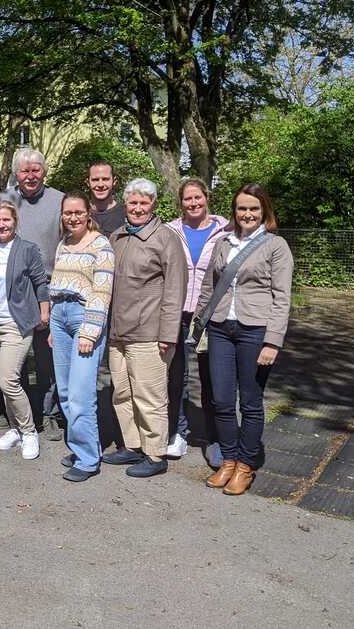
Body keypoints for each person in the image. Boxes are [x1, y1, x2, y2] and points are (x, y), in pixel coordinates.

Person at [196, 183, 293, 496]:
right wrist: (199, 324)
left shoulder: (275, 246)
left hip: (255, 331)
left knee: (250, 403)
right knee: (221, 400)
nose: (247, 214)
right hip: (222, 328)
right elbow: (210, 288)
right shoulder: (224, 243)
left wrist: (273, 341)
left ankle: (246, 465)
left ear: (263, 210)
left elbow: (282, 297)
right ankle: (228, 459)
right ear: (235, 211)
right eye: (242, 208)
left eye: (253, 208)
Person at [103, 178, 187, 478]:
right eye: (133, 203)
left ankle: (155, 453)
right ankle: (132, 445)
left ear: (153, 205)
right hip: (117, 333)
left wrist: (168, 334)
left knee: (149, 396)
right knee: (122, 393)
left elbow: (175, 290)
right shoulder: (118, 236)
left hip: (149, 333)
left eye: (144, 203)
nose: (138, 208)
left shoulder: (166, 238)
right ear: (126, 204)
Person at [48, 193, 115, 482]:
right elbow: (55, 283)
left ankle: (88, 459)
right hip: (59, 318)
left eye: (77, 212)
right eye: (67, 213)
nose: (72, 217)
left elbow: (102, 292)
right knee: (64, 390)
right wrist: (52, 326)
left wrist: (90, 331)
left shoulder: (102, 245)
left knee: (80, 393)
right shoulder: (64, 243)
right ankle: (81, 445)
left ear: (88, 213)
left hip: (83, 318)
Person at [0, 148, 64, 440]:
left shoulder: (59, 200)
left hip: (49, 289)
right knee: (17, 358)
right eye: (24, 170)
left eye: (36, 169)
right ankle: (21, 414)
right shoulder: (5, 200)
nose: (30, 175)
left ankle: (49, 413)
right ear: (15, 173)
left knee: (47, 357)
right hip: (15, 293)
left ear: (44, 172)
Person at [164, 178, 229, 465]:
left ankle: (213, 439)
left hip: (208, 312)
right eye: (188, 199)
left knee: (209, 377)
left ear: (207, 198)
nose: (193, 203)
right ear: (181, 202)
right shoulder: (171, 230)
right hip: (176, 310)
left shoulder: (224, 231)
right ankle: (177, 433)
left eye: (198, 198)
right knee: (175, 375)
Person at [0, 200, 50, 460]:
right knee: (6, 381)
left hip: (15, 325)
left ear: (15, 221)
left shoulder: (27, 249)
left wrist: (44, 313)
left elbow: (40, 283)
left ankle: (29, 432)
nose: (1, 224)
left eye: (6, 219)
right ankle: (15, 429)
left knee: (9, 381)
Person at [87, 161, 126, 235]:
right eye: (95, 180)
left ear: (114, 181)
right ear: (88, 182)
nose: (100, 184)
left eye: (105, 179)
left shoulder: (127, 214)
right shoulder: (79, 215)